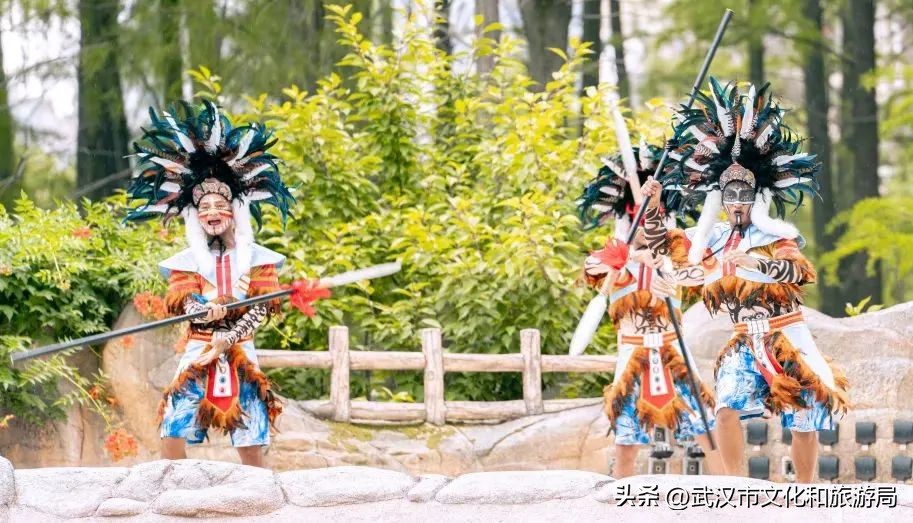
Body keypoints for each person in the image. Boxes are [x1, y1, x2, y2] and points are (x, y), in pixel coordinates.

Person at [640, 78, 850, 482]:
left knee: (804, 417)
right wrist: (651, 205)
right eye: (730, 196)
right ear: (720, 199)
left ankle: (804, 491)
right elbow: (667, 247)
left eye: (744, 196)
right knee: (726, 406)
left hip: (786, 335)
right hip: (742, 338)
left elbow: (798, 272)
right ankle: (736, 487)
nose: (737, 203)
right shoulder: (712, 240)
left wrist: (754, 266)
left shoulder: (777, 237)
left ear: (756, 199)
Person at [125, 100, 324, 467]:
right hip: (198, 352)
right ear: (195, 217)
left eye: (221, 206)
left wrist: (230, 336)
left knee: (250, 439)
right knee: (172, 430)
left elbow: (261, 306)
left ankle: (261, 502)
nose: (213, 213)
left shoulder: (259, 259)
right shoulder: (185, 264)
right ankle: (177, 492)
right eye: (204, 209)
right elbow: (183, 302)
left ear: (236, 210)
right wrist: (204, 311)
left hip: (241, 353)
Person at [577, 142, 721, 478]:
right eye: (634, 219)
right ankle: (618, 507)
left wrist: (664, 263)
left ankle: (728, 499)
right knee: (626, 441)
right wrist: (631, 256)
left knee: (705, 429)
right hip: (633, 357)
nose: (640, 226)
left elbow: (697, 270)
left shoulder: (675, 248)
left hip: (674, 353)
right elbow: (594, 266)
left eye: (645, 219)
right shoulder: (612, 260)